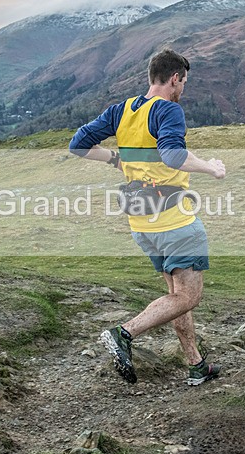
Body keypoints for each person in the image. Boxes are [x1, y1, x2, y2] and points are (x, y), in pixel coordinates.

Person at [69, 48, 226, 386]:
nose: (183, 88)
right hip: (175, 223)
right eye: (183, 82)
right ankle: (124, 333)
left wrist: (116, 160)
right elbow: (172, 156)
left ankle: (196, 364)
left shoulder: (122, 110)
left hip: (142, 224)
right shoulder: (169, 110)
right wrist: (210, 168)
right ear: (174, 79)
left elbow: (78, 144)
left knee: (176, 297)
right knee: (189, 297)